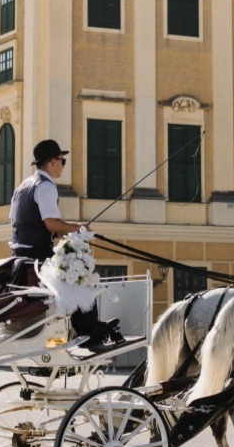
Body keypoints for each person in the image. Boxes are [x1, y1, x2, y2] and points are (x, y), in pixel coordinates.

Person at [10, 138, 138, 354]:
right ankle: (89, 333)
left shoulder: (23, 187)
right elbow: (50, 222)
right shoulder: (45, 186)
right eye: (62, 160)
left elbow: (24, 222)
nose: (62, 165)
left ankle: (83, 330)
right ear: (52, 162)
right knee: (81, 275)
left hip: (20, 256)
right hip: (38, 257)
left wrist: (60, 230)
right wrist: (77, 228)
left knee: (75, 271)